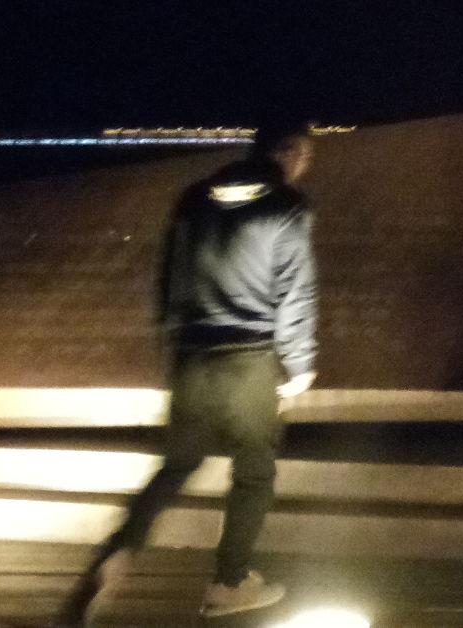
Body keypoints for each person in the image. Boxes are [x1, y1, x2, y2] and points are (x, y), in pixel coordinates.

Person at [60, 120, 321, 624]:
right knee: (253, 471)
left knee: (176, 465)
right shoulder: (286, 205)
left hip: (191, 354)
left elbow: (167, 279)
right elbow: (295, 291)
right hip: (249, 357)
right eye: (305, 157)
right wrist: (300, 366)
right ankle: (229, 582)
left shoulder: (193, 198)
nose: (303, 167)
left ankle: (115, 553)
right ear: (288, 152)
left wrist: (171, 342)